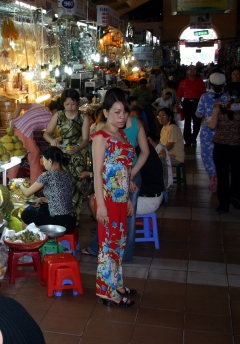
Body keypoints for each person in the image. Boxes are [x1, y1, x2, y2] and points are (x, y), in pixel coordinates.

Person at [91, 89, 137, 307]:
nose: (122, 116)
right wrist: (100, 204)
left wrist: (127, 197)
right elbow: (98, 173)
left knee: (118, 243)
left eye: (125, 112)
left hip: (120, 198)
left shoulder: (122, 134)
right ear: (106, 112)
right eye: (117, 112)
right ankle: (106, 290)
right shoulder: (101, 137)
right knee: (108, 245)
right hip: (107, 200)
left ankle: (116, 282)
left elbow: (124, 170)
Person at [43, 89, 90, 220]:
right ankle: (63, 216)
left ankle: (74, 217)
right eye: (67, 104)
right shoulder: (58, 115)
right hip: (61, 157)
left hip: (77, 157)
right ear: (62, 104)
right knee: (61, 186)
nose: (70, 107)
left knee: (76, 186)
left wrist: (78, 148)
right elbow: (46, 133)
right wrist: (52, 140)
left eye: (73, 104)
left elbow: (86, 139)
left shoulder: (83, 118)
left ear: (78, 103)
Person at [16, 147, 76, 233]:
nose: (43, 164)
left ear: (50, 161)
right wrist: (41, 199)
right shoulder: (66, 174)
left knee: (26, 214)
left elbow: (27, 193)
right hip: (70, 220)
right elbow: (60, 198)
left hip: (59, 223)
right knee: (42, 206)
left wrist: (19, 184)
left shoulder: (47, 175)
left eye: (44, 161)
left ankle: (29, 240)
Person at [7, 101, 59, 182]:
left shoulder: (39, 106)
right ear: (56, 111)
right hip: (24, 133)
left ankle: (8, 182)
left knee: (16, 158)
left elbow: (20, 105)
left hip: (15, 129)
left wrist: (14, 119)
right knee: (34, 157)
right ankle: (35, 186)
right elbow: (48, 134)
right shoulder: (51, 118)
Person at [210, 82, 240, 213]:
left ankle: (223, 204)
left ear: (227, 93)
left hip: (221, 145)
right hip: (238, 146)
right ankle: (236, 197)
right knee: (237, 174)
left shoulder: (218, 108)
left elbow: (212, 126)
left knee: (222, 175)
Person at [195, 73, 228, 179]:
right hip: (223, 131)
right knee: (222, 155)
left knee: (208, 155)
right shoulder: (227, 97)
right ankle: (221, 177)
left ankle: (213, 177)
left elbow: (198, 114)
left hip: (207, 131)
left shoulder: (204, 97)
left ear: (210, 84)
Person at [176, 64, 207, 146]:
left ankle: (194, 138)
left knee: (197, 122)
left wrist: (204, 106)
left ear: (196, 71)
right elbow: (179, 94)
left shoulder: (200, 82)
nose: (192, 71)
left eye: (194, 69)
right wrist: (177, 104)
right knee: (187, 122)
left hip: (198, 103)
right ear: (187, 71)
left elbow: (204, 95)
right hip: (187, 103)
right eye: (191, 69)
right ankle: (187, 140)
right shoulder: (183, 82)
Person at [136, 139, 165, 215]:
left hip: (146, 201)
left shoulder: (141, 153)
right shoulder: (146, 147)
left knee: (106, 205)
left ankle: (126, 227)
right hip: (151, 197)